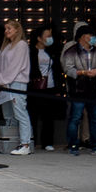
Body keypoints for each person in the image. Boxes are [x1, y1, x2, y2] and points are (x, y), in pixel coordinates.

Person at [62, 24, 96, 157]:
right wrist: (83, 72)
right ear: (83, 37)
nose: (93, 38)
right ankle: (73, 145)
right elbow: (68, 69)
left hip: (94, 90)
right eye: (91, 35)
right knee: (75, 118)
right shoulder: (71, 51)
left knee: (95, 119)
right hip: (78, 89)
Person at [0, 19, 33, 155]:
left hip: (17, 82)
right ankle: (12, 142)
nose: (6, 31)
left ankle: (25, 144)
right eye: (5, 29)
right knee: (8, 115)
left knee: (20, 112)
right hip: (4, 82)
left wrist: (1, 79)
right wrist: (0, 78)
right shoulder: (6, 46)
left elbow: (15, 66)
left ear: (17, 30)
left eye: (9, 28)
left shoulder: (21, 45)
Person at [30, 23, 59, 151]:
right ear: (39, 38)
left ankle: (47, 142)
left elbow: (56, 69)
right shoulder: (31, 51)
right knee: (33, 115)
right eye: (47, 36)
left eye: (50, 36)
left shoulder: (51, 51)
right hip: (35, 87)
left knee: (48, 116)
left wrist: (58, 88)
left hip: (50, 86)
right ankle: (32, 140)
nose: (50, 38)